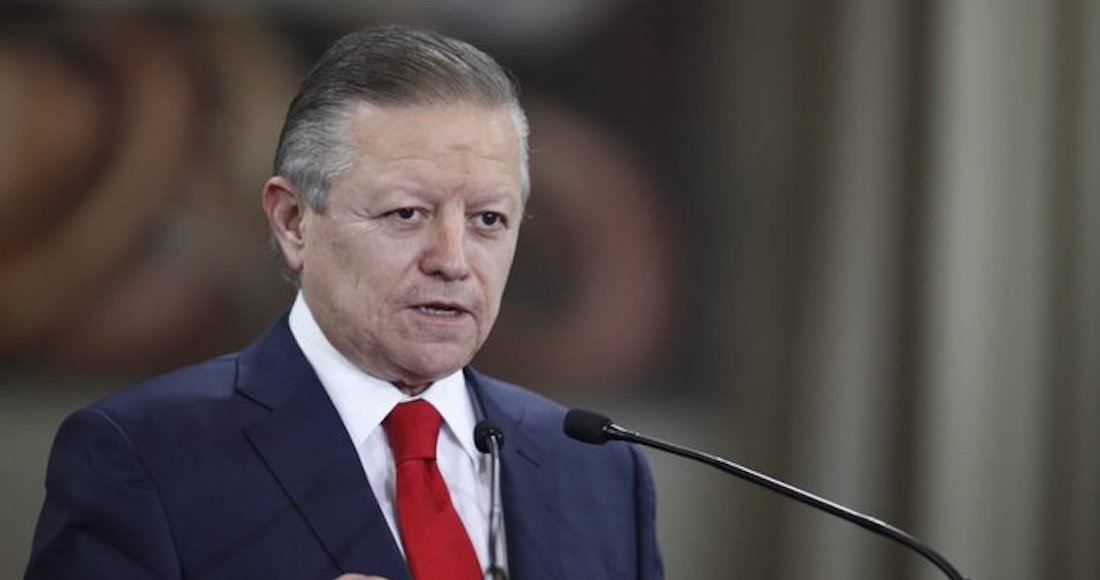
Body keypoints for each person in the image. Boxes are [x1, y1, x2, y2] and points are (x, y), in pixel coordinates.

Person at [24, 25, 663, 580]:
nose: (453, 260)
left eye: (488, 219)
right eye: (406, 213)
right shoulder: (144, 455)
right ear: (293, 221)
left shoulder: (599, 470)